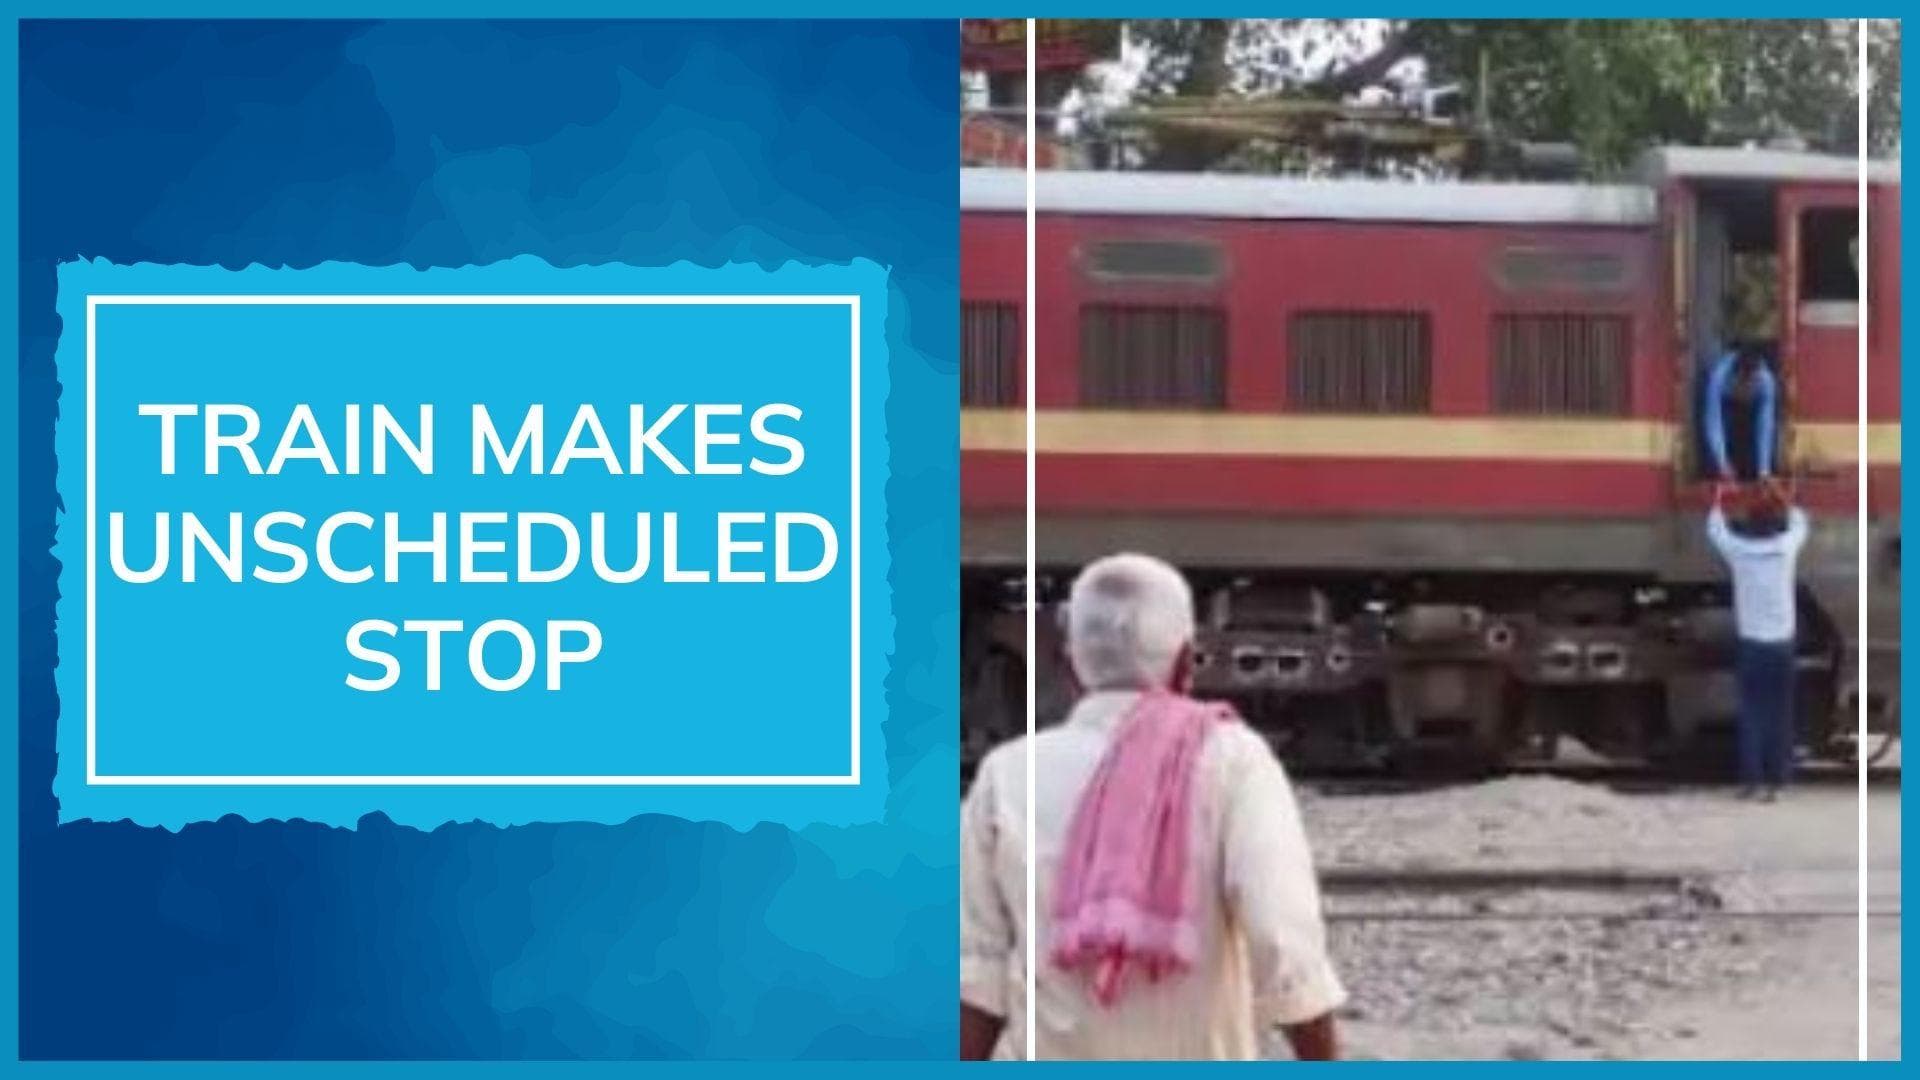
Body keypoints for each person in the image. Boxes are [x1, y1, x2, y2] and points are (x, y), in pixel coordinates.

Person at [959, 553, 1345, 1060]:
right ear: (1187, 663)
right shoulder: (1234, 760)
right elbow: (1284, 944)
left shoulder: (1006, 774)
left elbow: (977, 972)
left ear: (1070, 666)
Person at [1706, 481, 1809, 801]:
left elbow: (1715, 529)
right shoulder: (1786, 549)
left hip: (1752, 646)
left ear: (1748, 525)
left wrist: (1719, 497)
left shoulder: (1739, 552)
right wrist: (1783, 497)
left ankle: (1751, 781)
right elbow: (1800, 523)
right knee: (1780, 713)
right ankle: (1777, 782)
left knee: (1752, 713)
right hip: (1782, 646)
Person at [1702, 348, 1778, 482]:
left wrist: (1764, 470)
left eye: (1753, 383)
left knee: (1751, 436)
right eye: (1746, 383)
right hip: (1727, 403)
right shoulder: (1718, 377)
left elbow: (1765, 426)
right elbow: (1713, 422)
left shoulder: (1766, 381)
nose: (1749, 387)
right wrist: (1722, 462)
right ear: (1736, 375)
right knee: (1725, 428)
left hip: (1751, 408)